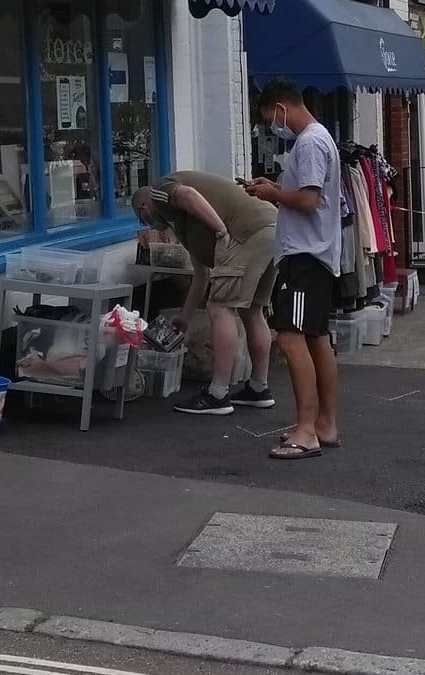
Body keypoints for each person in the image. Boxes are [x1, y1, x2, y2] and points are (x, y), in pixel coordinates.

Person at [242, 79, 342, 459]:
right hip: (316, 253)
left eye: (271, 118)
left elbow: (307, 199)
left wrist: (273, 194)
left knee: (289, 334)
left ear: (282, 107)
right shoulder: (319, 139)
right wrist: (274, 188)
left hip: (304, 254)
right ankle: (326, 424)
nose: (273, 126)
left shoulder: (310, 142)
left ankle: (306, 429)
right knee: (315, 337)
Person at [133, 171, 279, 415]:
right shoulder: (184, 224)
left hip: (247, 233)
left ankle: (218, 394)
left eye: (142, 217)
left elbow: (188, 194)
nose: (147, 222)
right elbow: (201, 275)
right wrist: (185, 316)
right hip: (271, 229)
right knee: (252, 310)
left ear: (144, 207)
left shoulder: (160, 190)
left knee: (220, 307)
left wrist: (221, 231)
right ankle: (258, 389)